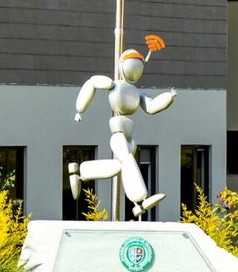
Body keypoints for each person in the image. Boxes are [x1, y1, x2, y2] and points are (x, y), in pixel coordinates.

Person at [69, 35, 176, 218]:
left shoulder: (136, 92)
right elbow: (92, 84)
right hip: (118, 132)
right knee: (127, 160)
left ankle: (81, 171)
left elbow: (151, 106)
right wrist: (80, 110)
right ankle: (140, 199)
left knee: (120, 166)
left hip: (129, 135)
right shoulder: (114, 85)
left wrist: (168, 97)